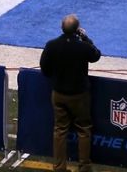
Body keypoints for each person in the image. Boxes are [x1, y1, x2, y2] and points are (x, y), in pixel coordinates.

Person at [40, 14, 101, 172]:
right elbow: (96, 55)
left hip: (59, 93)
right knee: (84, 129)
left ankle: (59, 167)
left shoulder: (51, 45)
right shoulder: (82, 46)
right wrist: (85, 37)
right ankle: (84, 167)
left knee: (60, 130)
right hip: (80, 95)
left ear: (61, 28)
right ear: (77, 30)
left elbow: (45, 68)